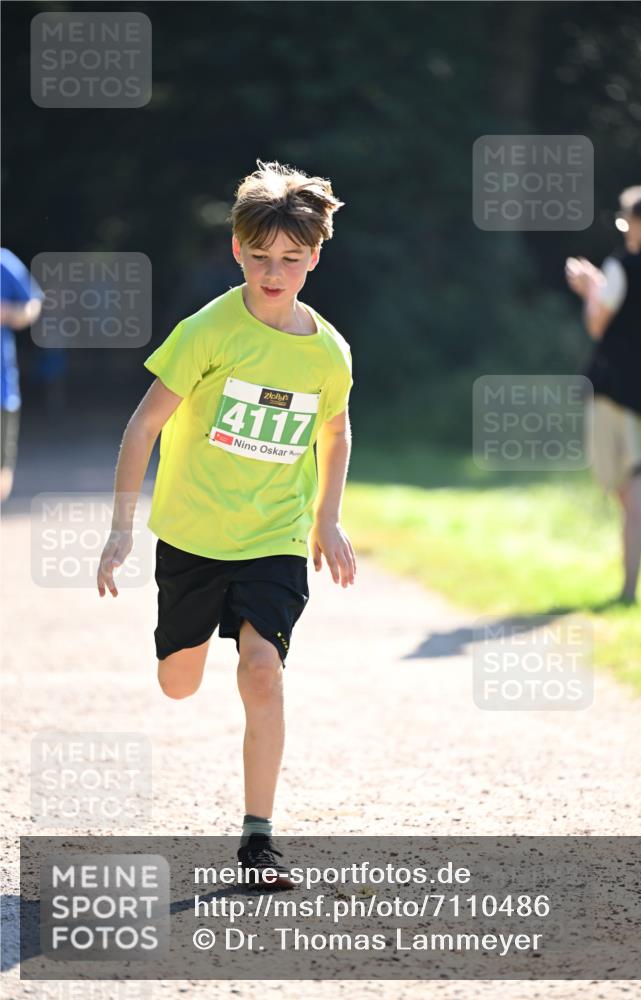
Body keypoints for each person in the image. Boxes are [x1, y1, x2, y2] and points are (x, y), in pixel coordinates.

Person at [96, 160, 355, 887]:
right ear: (238, 249)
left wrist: (326, 520)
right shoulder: (208, 330)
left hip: (272, 535)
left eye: (292, 261)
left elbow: (334, 435)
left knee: (262, 672)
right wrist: (123, 527)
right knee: (179, 683)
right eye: (261, 258)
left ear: (314, 257)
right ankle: (200, 634)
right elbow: (144, 426)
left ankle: (258, 838)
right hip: (191, 535)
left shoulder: (327, 352)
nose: (275, 273)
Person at [565, 185, 641, 604]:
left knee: (631, 489)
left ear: (640, 224)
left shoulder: (622, 265)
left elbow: (597, 324)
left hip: (622, 392)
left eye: (626, 220)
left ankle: (628, 589)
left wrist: (591, 289)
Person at [0, 248, 43, 501]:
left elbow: (33, 304)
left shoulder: (4, 262)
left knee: (3, 466)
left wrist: (10, 314)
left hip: (2, 391)